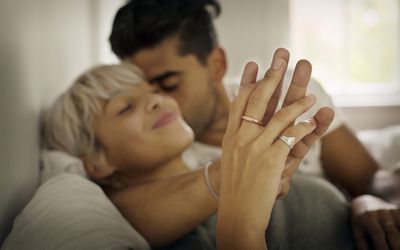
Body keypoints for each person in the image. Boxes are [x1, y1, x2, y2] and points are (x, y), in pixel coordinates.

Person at [109, 0, 400, 249]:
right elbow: (114, 218)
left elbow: (370, 177)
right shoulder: (159, 149)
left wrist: (369, 201)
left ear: (217, 65)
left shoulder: (290, 97)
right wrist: (236, 172)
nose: (156, 102)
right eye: (141, 90)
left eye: (168, 84)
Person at [42, 60, 353, 249]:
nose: (156, 101)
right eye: (125, 107)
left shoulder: (220, 162)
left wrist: (362, 205)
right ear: (97, 161)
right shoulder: (185, 237)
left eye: (154, 91)